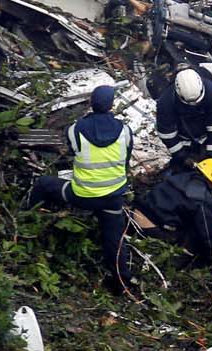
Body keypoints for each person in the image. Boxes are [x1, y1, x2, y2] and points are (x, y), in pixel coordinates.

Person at [25, 85, 133, 292]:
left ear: (90, 103)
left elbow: (73, 153)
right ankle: (122, 284)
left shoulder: (75, 129)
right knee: (115, 240)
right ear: (112, 105)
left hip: (82, 195)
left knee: (44, 184)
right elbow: (125, 161)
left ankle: (27, 222)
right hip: (113, 198)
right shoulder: (126, 131)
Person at [134, 158, 212, 262]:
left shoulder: (180, 176)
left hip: (137, 213)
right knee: (191, 240)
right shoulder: (203, 200)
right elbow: (207, 233)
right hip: (152, 227)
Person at [155, 67, 212, 168]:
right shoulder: (166, 102)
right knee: (184, 170)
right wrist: (182, 156)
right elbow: (167, 135)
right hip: (185, 140)